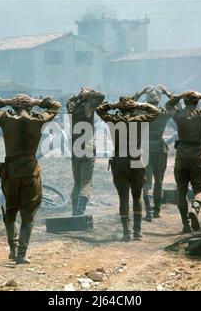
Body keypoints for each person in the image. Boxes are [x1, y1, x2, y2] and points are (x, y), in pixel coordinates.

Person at [0, 93, 61, 264]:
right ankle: (21, 254)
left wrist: (5, 100)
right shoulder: (39, 119)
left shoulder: (6, 119)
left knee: (11, 211)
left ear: (15, 106)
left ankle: (12, 249)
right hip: (30, 172)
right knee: (28, 215)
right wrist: (38, 101)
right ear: (30, 106)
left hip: (11, 172)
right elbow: (56, 106)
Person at [96, 96, 159, 241]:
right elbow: (155, 111)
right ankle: (137, 232)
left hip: (119, 161)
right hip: (136, 159)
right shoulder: (140, 119)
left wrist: (114, 105)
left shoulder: (114, 120)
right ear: (133, 108)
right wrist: (140, 104)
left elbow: (99, 109)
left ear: (120, 108)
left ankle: (126, 233)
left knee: (123, 197)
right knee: (137, 197)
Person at [160, 87, 201, 233]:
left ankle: (185, 224)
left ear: (185, 101)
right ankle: (195, 209)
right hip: (198, 157)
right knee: (199, 189)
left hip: (182, 157)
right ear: (196, 102)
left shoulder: (179, 115)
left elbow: (168, 105)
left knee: (181, 191)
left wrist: (179, 95)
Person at [133, 86, 172, 221]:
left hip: (144, 148)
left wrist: (140, 92)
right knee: (159, 181)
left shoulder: (141, 113)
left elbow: (128, 104)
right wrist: (168, 93)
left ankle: (148, 212)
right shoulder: (163, 113)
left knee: (145, 182)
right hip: (160, 148)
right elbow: (177, 106)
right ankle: (157, 211)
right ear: (158, 101)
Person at [66, 88, 105, 215]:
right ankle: (80, 212)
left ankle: (74, 213)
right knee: (86, 183)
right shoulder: (88, 107)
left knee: (77, 183)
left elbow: (69, 101)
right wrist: (89, 94)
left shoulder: (72, 108)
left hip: (75, 149)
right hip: (87, 148)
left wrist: (79, 95)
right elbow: (101, 97)